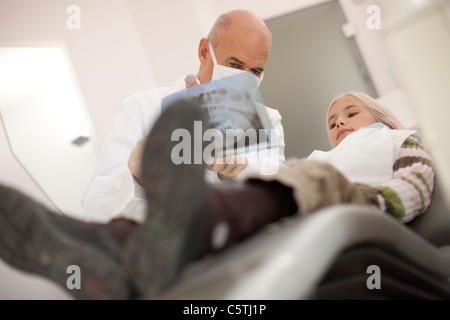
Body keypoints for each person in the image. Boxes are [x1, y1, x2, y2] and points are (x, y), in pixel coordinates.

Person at [0, 91, 434, 300]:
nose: (338, 123)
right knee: (270, 184)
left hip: (352, 200)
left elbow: (416, 182)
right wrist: (219, 161)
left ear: (381, 117)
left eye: (350, 113)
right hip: (300, 198)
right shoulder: (323, 155)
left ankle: (164, 231)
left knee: (309, 177)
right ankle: (96, 248)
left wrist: (381, 203)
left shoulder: (398, 139)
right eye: (331, 119)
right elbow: (277, 176)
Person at [81, 9, 286, 224]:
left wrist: (241, 172)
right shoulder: (140, 108)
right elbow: (93, 211)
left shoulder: (267, 120)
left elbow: (280, 199)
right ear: (205, 52)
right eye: (234, 65)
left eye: (255, 72)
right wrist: (135, 175)